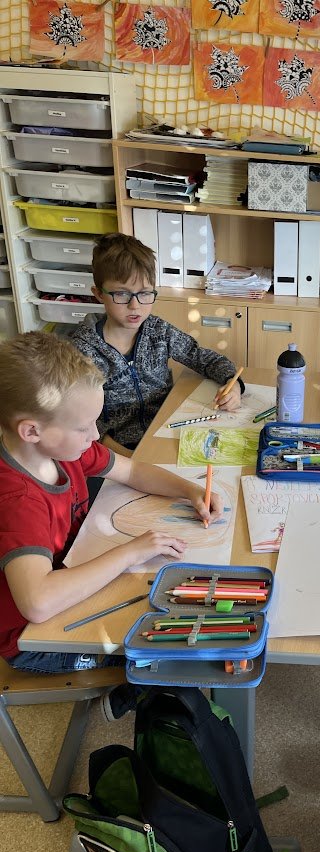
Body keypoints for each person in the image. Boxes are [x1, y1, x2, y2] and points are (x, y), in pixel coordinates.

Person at [0, 333, 225, 718]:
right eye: (84, 426)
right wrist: (132, 551)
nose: (95, 435)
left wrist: (189, 490)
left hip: (73, 579)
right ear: (31, 431)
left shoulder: (62, 449)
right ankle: (127, 695)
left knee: (174, 612)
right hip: (32, 640)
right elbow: (38, 603)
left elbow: (132, 471)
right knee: (174, 650)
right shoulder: (18, 500)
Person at [71, 233, 244, 456]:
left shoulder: (158, 331)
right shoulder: (81, 352)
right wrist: (130, 459)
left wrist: (233, 385)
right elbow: (82, 423)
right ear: (98, 294)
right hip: (117, 451)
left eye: (144, 294)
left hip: (167, 432)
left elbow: (204, 358)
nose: (135, 306)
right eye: (121, 294)